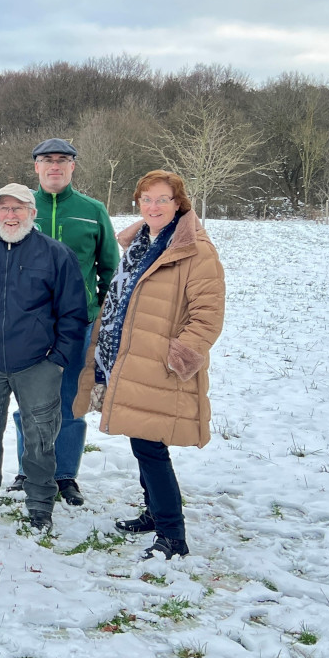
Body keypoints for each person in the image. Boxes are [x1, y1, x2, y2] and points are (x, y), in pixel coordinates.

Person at [73, 170, 225, 559]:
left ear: (179, 204)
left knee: (149, 445)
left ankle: (172, 534)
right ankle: (155, 513)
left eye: (162, 199)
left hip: (159, 365)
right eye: (146, 199)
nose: (153, 206)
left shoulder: (195, 250)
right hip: (125, 358)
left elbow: (207, 315)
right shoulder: (142, 242)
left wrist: (179, 358)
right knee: (141, 439)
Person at [0, 183, 87, 531]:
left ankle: (40, 503)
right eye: (4, 209)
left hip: (38, 362)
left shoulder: (56, 255)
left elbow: (74, 312)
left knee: (40, 437)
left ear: (32, 212)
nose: (11, 215)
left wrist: (58, 358)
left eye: (18, 208)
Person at [8, 138, 118, 506]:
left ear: (73, 167)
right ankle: (27, 470)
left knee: (70, 401)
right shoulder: (20, 208)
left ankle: (65, 475)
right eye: (46, 160)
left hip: (77, 327)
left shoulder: (92, 210)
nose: (54, 166)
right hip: (28, 327)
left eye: (62, 160)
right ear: (36, 167)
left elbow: (109, 270)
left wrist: (99, 317)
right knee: (30, 403)